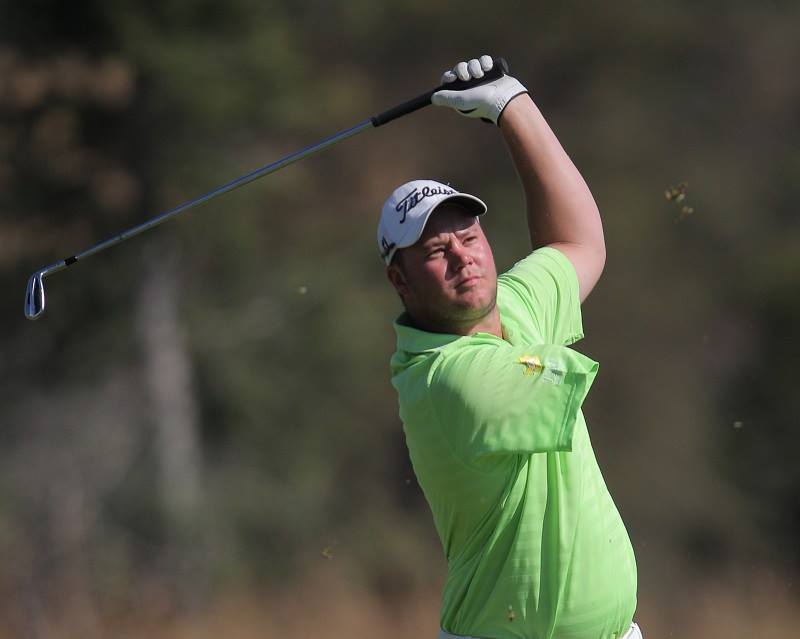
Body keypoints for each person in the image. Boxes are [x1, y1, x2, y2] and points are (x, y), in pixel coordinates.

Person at [377, 56, 641, 639]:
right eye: (434, 251)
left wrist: (512, 106)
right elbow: (559, 375)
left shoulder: (514, 309)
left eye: (468, 237)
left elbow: (578, 240)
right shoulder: (445, 378)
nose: (461, 256)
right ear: (401, 280)